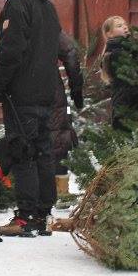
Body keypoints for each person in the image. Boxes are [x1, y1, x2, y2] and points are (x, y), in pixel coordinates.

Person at [0, 0, 62, 237]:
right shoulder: (48, 6)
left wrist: (0, 84)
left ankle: (26, 216)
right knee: (44, 152)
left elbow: (11, 50)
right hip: (46, 91)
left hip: (22, 92)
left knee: (23, 152)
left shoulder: (18, 4)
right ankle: (43, 213)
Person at [100, 15, 138, 131]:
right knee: (123, 131)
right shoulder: (115, 52)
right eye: (119, 26)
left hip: (133, 99)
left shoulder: (128, 48)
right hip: (124, 101)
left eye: (125, 25)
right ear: (109, 34)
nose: (125, 27)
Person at [50, 31, 84, 174]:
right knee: (57, 140)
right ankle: (60, 192)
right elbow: (70, 54)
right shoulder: (48, 23)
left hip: (22, 97)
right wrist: (76, 91)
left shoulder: (13, 24)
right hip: (51, 92)